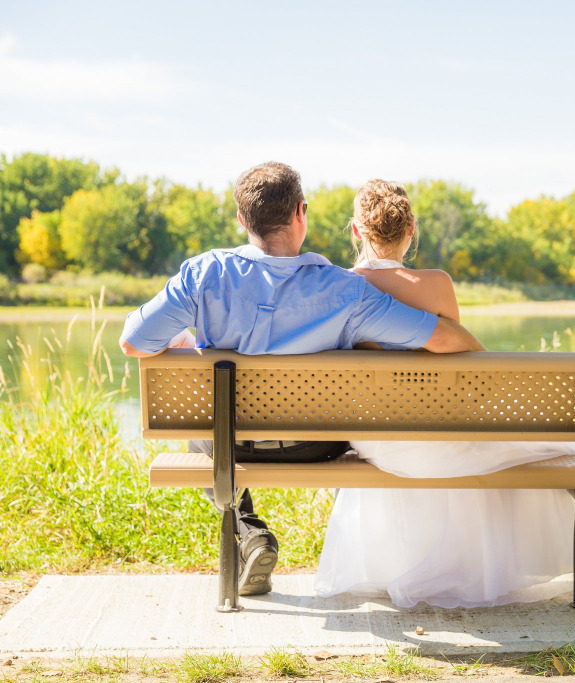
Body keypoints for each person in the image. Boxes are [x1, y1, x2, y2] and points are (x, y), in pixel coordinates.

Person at [119, 162, 484, 597]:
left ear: (242, 220)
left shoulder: (204, 274)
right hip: (317, 443)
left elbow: (133, 342)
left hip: (231, 441)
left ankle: (251, 533)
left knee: (205, 434)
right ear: (300, 214)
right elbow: (440, 338)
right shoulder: (344, 290)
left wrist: (181, 339)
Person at [313, 179, 575, 608]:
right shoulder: (436, 284)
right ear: (411, 228)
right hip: (438, 427)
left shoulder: (337, 285)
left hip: (378, 438)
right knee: (546, 446)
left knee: (450, 439)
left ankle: (410, 566)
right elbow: (459, 362)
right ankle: (471, 568)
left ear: (356, 231)